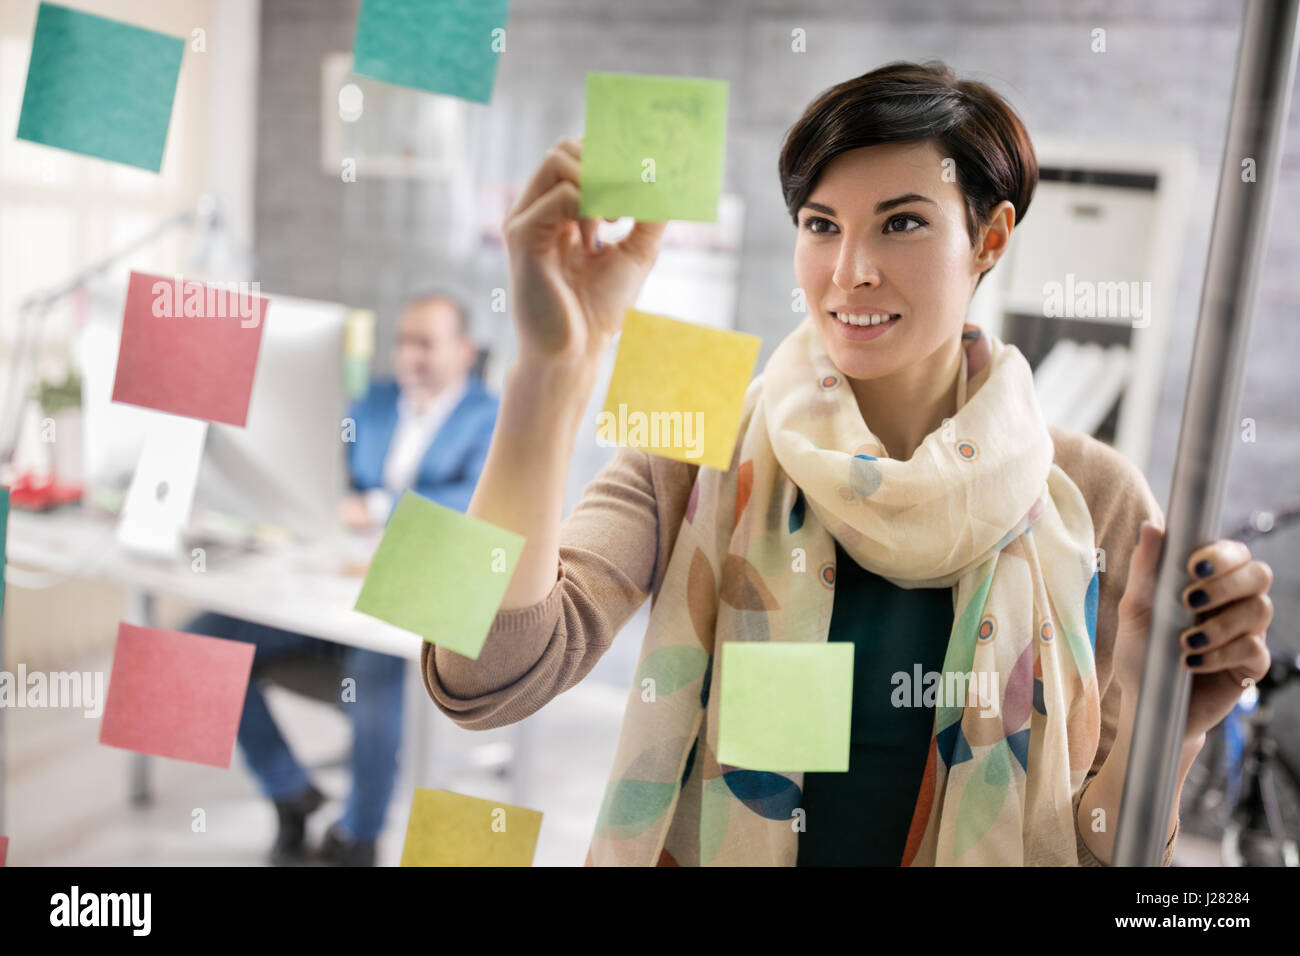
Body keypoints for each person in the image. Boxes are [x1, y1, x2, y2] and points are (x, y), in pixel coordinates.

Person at [419, 60, 1275, 866]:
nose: (850, 271)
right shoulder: (698, 424)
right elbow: (481, 676)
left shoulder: (1089, 493)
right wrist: (548, 367)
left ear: (990, 237)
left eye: (902, 223)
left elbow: (1101, 852)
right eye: (820, 226)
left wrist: (1179, 732)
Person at [188, 291, 497, 866]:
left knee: (373, 660)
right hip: (329, 583)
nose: (410, 355)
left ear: (464, 350)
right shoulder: (374, 402)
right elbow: (320, 468)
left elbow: (479, 507)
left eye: (425, 343)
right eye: (404, 341)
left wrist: (378, 506)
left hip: (415, 595)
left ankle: (360, 835)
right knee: (199, 640)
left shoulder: (490, 416)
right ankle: (290, 793)